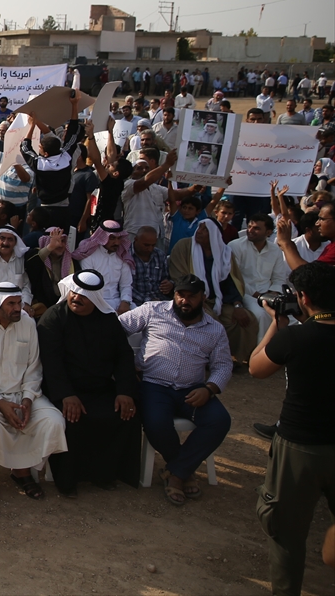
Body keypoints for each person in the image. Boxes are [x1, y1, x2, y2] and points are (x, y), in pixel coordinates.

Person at [249, 263, 335, 596]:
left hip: (300, 447)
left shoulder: (294, 338)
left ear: (303, 297)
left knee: (286, 533)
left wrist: (277, 324)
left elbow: (256, 368)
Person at [119, 275, 232, 508]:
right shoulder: (152, 310)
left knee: (219, 421)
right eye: (181, 295)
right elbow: (116, 329)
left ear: (203, 298)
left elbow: (223, 365)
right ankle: (182, 472)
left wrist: (209, 389)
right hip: (154, 384)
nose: (185, 301)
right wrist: (125, 363)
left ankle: (176, 472)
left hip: (193, 389)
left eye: (191, 296)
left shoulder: (215, 329)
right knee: (156, 423)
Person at [37, 271, 140, 497]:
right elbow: (51, 362)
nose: (76, 299)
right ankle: (68, 481)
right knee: (73, 418)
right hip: (64, 389)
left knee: (124, 413)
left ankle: (105, 474)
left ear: (95, 299)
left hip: (100, 388)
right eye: (74, 293)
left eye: (83, 296)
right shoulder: (54, 317)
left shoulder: (108, 320)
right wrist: (65, 394)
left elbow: (123, 356)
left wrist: (124, 391)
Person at [0, 283, 68, 502]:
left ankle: (22, 470)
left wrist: (28, 399)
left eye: (19, 303)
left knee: (54, 420)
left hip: (24, 394)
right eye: (11, 304)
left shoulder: (28, 324)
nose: (17, 308)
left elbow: (34, 367)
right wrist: (1, 403)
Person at [167, 218, 255, 365]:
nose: (199, 232)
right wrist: (198, 298)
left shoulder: (225, 253)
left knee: (246, 320)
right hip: (193, 299)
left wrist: (238, 306)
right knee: (211, 321)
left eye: (204, 229)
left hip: (220, 300)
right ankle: (211, 361)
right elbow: (180, 278)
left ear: (214, 235)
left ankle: (236, 358)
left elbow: (231, 283)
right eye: (199, 228)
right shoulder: (184, 246)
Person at [19, 99, 85, 232]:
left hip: (45, 210)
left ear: (46, 153)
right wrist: (74, 104)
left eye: (40, 148)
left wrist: (31, 126)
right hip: (64, 209)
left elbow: (24, 148)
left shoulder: (40, 164)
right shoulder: (67, 156)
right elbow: (73, 132)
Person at [228, 214, 290, 342]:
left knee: (291, 317)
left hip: (269, 294)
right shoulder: (235, 246)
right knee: (261, 315)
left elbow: (279, 277)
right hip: (245, 293)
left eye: (256, 228)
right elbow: (235, 277)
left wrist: (273, 293)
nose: (250, 230)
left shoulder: (275, 250)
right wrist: (256, 294)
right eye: (249, 226)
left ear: (268, 232)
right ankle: (260, 354)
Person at [72, 221, 135, 313]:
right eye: (112, 238)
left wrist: (125, 302)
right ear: (103, 237)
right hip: (96, 302)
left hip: (118, 301)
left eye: (119, 238)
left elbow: (126, 284)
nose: (117, 243)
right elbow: (89, 286)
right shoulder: (89, 255)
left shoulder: (122, 255)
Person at [131, 226, 173, 306]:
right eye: (146, 245)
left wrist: (169, 284)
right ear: (136, 239)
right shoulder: (126, 256)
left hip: (160, 300)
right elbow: (125, 287)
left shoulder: (160, 255)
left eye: (153, 245)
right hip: (136, 302)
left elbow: (167, 277)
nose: (150, 249)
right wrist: (149, 300)